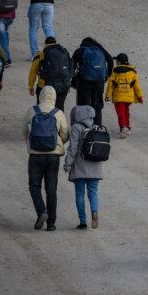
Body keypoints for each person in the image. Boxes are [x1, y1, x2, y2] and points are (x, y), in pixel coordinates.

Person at [23, 86, 70, 231]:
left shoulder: (32, 111)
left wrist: (32, 143)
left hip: (35, 155)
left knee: (34, 186)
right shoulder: (58, 113)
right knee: (51, 189)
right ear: (54, 97)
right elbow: (65, 134)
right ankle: (51, 223)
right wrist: (57, 143)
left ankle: (41, 211)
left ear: (41, 96)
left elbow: (24, 131)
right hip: (53, 156)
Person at [64, 105, 103, 229]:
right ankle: (95, 212)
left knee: (80, 194)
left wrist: (67, 163)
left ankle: (83, 221)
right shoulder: (96, 127)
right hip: (95, 166)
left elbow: (72, 148)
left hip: (80, 167)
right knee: (93, 192)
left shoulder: (76, 127)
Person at [72, 37, 113, 126]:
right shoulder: (100, 50)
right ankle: (97, 126)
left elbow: (72, 66)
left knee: (84, 104)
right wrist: (107, 75)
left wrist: (74, 79)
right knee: (97, 104)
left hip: (84, 81)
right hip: (99, 81)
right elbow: (110, 60)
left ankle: (85, 126)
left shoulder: (80, 51)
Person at [105, 53, 144, 139]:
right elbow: (136, 85)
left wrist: (108, 95)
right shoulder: (132, 72)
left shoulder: (115, 72)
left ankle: (123, 127)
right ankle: (127, 127)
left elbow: (110, 85)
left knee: (121, 112)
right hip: (128, 97)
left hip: (118, 96)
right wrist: (139, 96)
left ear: (119, 62)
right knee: (126, 111)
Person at [28, 37, 72, 111]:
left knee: (42, 109)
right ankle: (59, 122)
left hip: (45, 86)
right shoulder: (64, 52)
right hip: (62, 86)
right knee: (59, 109)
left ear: (45, 44)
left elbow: (33, 72)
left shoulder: (41, 54)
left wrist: (31, 86)